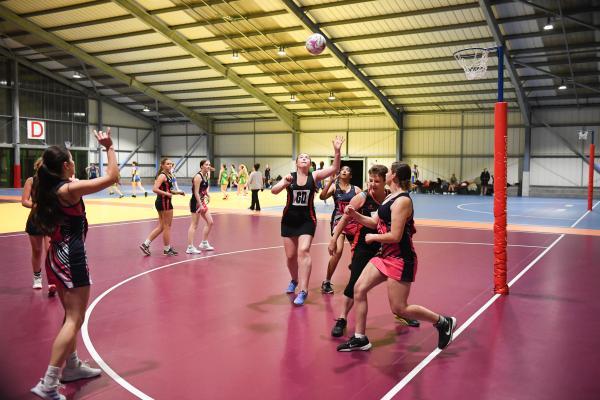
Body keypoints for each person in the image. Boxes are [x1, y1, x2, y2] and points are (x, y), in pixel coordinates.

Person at [29, 129, 118, 400]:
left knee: (71, 315)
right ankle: (49, 382)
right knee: (74, 318)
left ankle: (71, 365)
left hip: (57, 254)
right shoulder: (69, 189)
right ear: (66, 166)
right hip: (73, 256)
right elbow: (113, 178)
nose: (74, 163)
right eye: (71, 160)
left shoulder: (49, 188)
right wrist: (109, 147)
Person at [337, 161, 456, 352]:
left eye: (390, 171)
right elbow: (374, 221)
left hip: (401, 259)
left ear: (394, 176)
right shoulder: (390, 197)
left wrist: (373, 237)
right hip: (385, 256)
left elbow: (395, 236)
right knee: (359, 289)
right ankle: (360, 338)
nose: (388, 173)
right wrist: (354, 215)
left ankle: (443, 322)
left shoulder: (403, 201)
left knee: (399, 308)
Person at [271, 136, 344, 306]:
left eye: (307, 157)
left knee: (303, 251)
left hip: (307, 219)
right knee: (290, 257)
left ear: (310, 163)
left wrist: (337, 151)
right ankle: (294, 279)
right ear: (297, 163)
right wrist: (284, 184)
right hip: (289, 220)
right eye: (301, 157)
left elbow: (334, 168)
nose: (304, 158)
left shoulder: (315, 175)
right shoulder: (290, 177)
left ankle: (303, 290)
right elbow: (274, 191)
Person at [319, 166, 361, 294]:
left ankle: (355, 282)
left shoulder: (356, 189)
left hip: (353, 223)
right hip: (338, 221)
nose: (344, 171)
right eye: (342, 169)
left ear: (351, 175)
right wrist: (330, 182)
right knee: (338, 251)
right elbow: (322, 197)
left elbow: (365, 202)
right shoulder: (334, 187)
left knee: (358, 255)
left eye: (347, 170)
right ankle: (326, 281)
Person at [21, 158, 54, 296]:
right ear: (37, 167)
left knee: (50, 251)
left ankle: (52, 281)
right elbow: (24, 201)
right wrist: (38, 206)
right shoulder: (30, 181)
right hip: (35, 219)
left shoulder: (52, 181)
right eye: (41, 166)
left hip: (49, 219)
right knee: (37, 250)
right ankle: (37, 277)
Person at [139, 158, 184, 256]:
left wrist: (178, 192)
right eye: (167, 164)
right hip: (164, 202)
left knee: (162, 226)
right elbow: (154, 189)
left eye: (171, 164)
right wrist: (167, 194)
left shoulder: (168, 175)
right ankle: (167, 249)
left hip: (163, 201)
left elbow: (168, 190)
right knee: (167, 226)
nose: (170, 165)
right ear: (162, 165)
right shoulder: (162, 176)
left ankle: (145, 244)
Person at [187, 160, 214, 254]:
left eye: (209, 165)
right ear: (201, 166)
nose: (208, 166)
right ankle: (190, 247)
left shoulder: (206, 175)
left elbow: (203, 189)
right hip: (196, 202)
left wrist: (207, 194)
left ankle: (204, 243)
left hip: (202, 202)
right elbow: (196, 192)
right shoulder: (198, 177)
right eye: (206, 164)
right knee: (194, 225)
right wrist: (201, 204)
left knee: (210, 222)